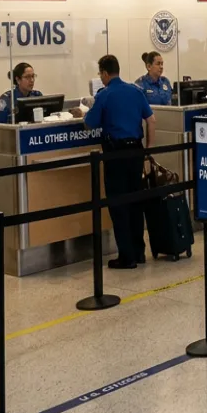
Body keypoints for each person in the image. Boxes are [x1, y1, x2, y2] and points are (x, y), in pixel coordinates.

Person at [82, 55, 155, 269]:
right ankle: (139, 252)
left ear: (104, 73)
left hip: (115, 154)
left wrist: (86, 113)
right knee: (135, 202)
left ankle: (127, 256)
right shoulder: (135, 91)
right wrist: (149, 151)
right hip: (136, 152)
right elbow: (151, 120)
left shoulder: (105, 95)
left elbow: (89, 124)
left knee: (118, 204)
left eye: (100, 74)